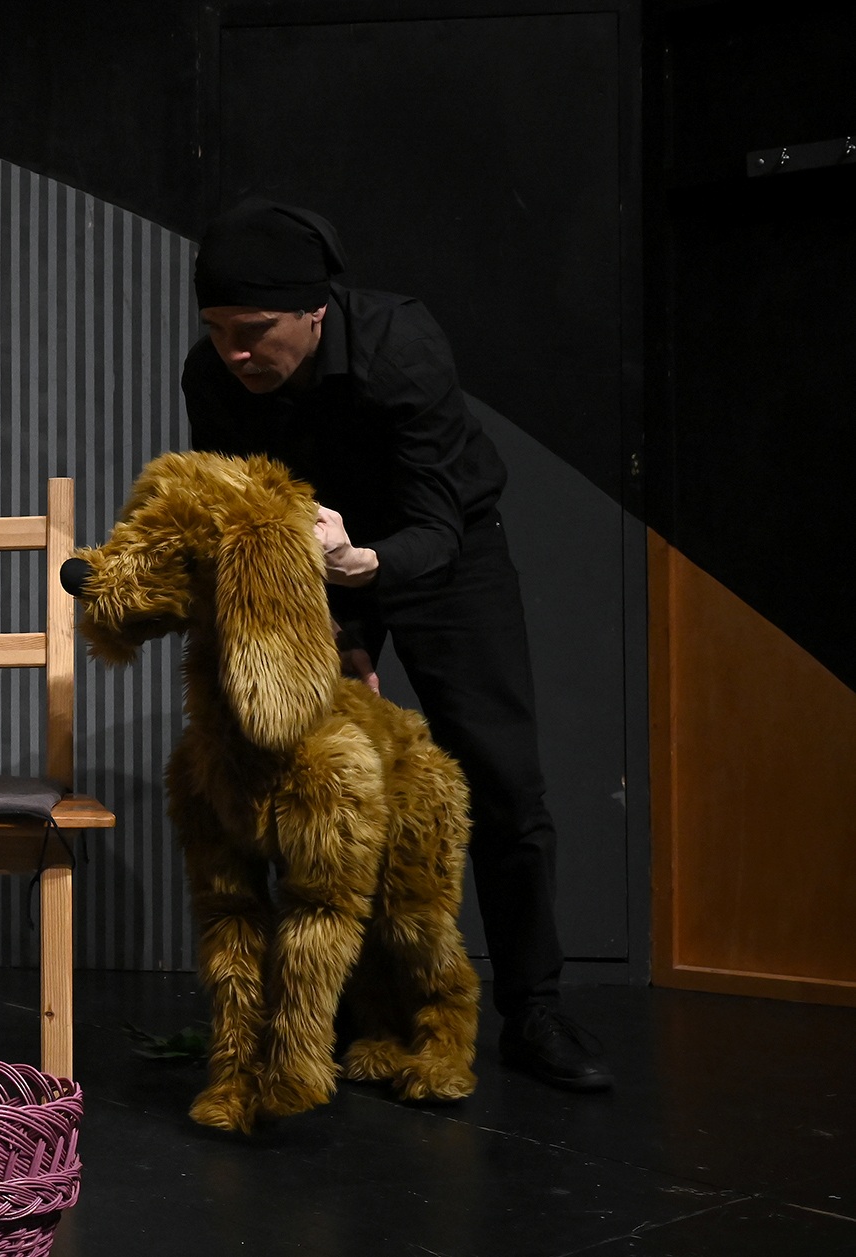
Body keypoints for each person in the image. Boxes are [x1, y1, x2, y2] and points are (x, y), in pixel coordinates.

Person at [177, 198, 613, 1092]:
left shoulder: (399, 346)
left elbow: (439, 524)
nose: (234, 352)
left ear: (314, 311)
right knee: (313, 777)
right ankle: (340, 1007)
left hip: (442, 550)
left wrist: (360, 563)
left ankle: (533, 1009)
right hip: (314, 565)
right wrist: (340, 638)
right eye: (217, 330)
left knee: (502, 778)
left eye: (253, 331)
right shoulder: (211, 377)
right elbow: (248, 510)